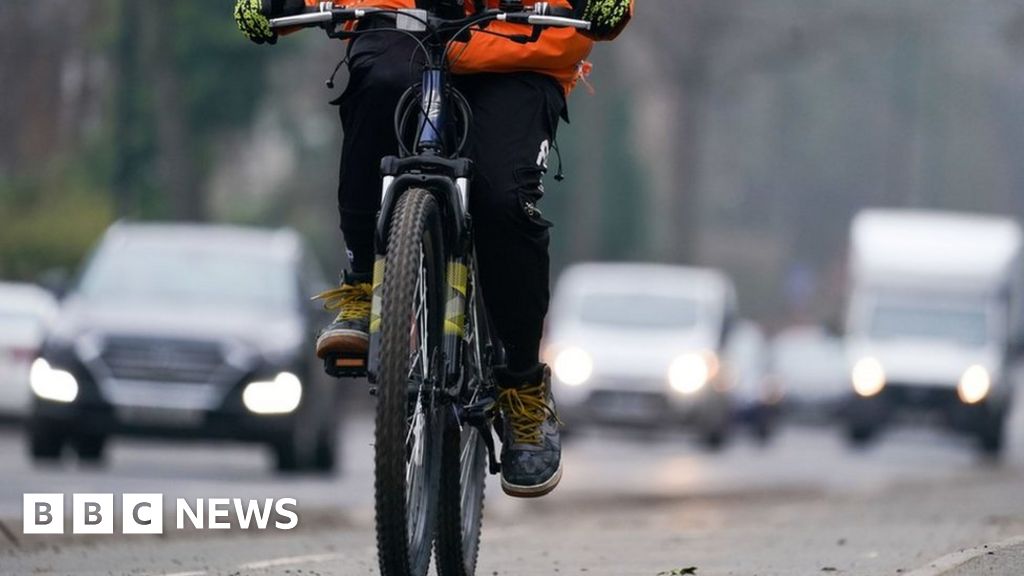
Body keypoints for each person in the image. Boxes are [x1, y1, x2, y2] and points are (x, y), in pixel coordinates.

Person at [234, 0, 631, 498]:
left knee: (502, 201)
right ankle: (363, 285)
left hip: (519, 47)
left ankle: (522, 385)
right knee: (376, 89)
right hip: (406, 29)